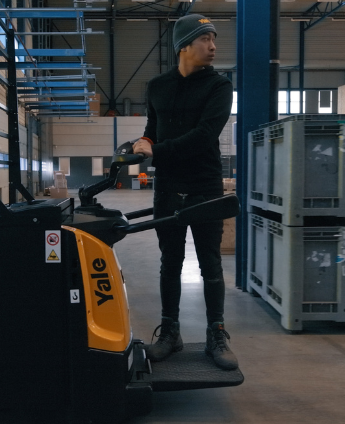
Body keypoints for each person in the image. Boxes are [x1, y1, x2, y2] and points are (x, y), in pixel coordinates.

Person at [132, 14, 237, 371]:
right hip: (168, 188)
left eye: (214, 39)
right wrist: (145, 140)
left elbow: (205, 136)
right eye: (205, 39)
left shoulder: (219, 87)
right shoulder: (157, 86)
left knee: (210, 263)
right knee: (169, 263)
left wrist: (156, 152)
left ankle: (216, 333)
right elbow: (152, 128)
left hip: (205, 186)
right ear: (185, 45)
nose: (213, 46)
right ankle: (170, 333)